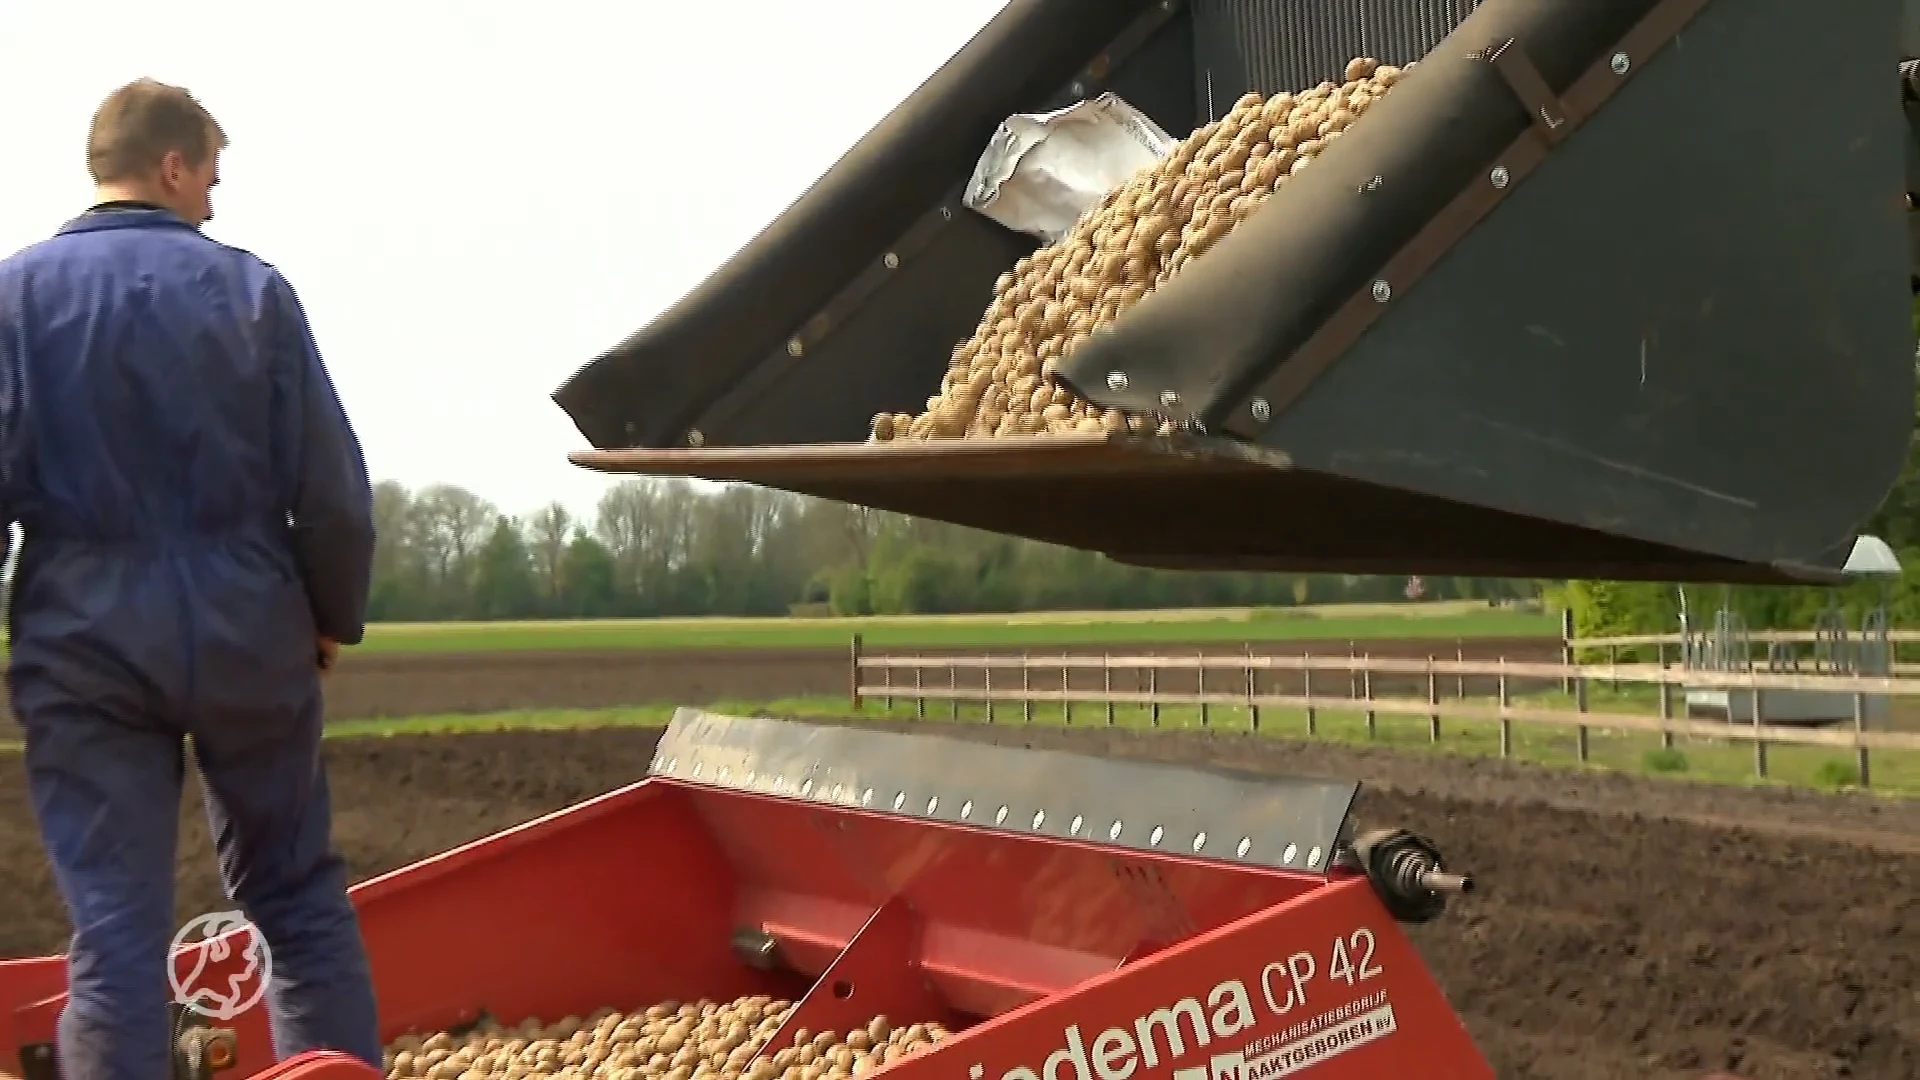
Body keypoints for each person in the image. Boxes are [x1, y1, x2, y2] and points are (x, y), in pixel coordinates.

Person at [0, 79, 382, 1078]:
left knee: (116, 931)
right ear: (171, 165)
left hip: (82, 639)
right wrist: (328, 614)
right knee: (296, 897)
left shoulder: (16, 298)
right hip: (248, 623)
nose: (215, 199)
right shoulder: (256, 293)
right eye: (212, 172)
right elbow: (334, 492)